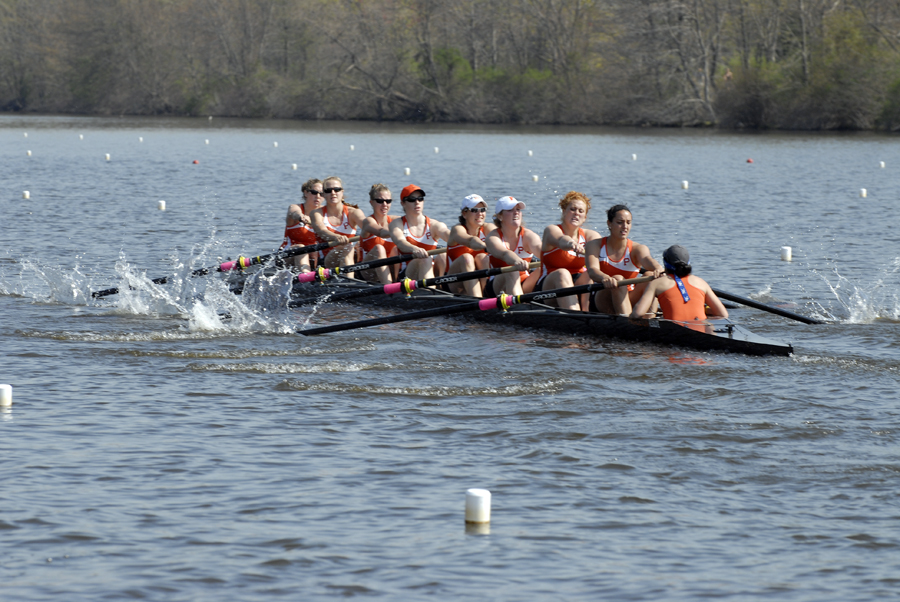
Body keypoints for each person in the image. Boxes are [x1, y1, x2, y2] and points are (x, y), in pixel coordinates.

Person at [585, 204, 663, 315]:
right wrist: (605, 278)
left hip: (630, 298)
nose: (625, 226)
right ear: (609, 224)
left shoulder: (637, 249)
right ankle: (629, 324)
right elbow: (592, 270)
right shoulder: (595, 245)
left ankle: (650, 320)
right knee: (618, 279)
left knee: (650, 277)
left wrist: (658, 268)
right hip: (603, 298)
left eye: (628, 222)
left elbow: (647, 259)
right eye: (619, 222)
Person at [535, 191, 600, 310]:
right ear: (564, 211)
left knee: (592, 272)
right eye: (573, 209)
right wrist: (572, 244)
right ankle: (575, 316)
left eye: (581, 211)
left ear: (584, 218)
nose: (576, 214)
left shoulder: (590, 236)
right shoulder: (552, 230)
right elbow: (561, 240)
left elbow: (605, 249)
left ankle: (587, 312)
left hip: (577, 283)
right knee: (562, 272)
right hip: (549, 286)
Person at [631, 245, 728, 321]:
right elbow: (723, 314)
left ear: (665, 263)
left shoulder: (657, 283)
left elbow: (637, 314)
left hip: (673, 330)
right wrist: (705, 310)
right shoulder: (701, 282)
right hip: (700, 327)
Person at [388, 184, 450, 280]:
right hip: (407, 275)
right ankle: (428, 292)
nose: (417, 202)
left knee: (443, 255)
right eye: (412, 199)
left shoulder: (434, 225)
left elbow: (448, 235)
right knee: (424, 258)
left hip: (430, 270)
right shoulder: (397, 224)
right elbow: (400, 242)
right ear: (403, 203)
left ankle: (444, 288)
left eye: (420, 199)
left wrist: (464, 240)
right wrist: (414, 249)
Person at [484, 196, 541, 297]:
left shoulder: (529, 235)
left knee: (549, 270)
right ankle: (520, 308)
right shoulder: (493, 237)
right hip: (497, 285)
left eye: (518, 209)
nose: (516, 213)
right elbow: (504, 253)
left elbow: (541, 250)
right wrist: (516, 260)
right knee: (512, 271)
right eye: (510, 210)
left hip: (525, 282)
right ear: (500, 216)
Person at [310, 176, 366, 275]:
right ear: (323, 194)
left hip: (351, 257)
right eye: (328, 190)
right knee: (346, 247)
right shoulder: (317, 213)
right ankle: (349, 282)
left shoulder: (354, 212)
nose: (333, 193)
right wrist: (336, 237)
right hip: (327, 261)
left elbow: (367, 227)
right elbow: (322, 231)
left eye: (337, 189)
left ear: (342, 192)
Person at [445, 194, 496, 296]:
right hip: (454, 282)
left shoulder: (489, 228)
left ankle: (486, 295)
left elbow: (501, 239)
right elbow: (470, 241)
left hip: (478, 280)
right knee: (467, 258)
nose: (479, 214)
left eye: (482, 210)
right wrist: (486, 246)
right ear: (464, 214)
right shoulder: (457, 230)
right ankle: (476, 300)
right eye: (474, 210)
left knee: (482, 257)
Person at [358, 183, 399, 284]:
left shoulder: (396, 220)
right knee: (379, 248)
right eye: (380, 201)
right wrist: (398, 232)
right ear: (371, 202)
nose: (384, 204)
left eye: (388, 201)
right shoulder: (368, 222)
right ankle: (389, 288)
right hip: (367, 271)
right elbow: (381, 232)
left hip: (390, 269)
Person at [281, 178, 323, 272]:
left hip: (314, 256)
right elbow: (293, 212)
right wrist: (301, 217)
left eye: (322, 193)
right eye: (314, 192)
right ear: (306, 193)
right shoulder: (296, 207)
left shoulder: (326, 213)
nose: (318, 196)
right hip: (289, 255)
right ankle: (306, 277)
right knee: (301, 248)